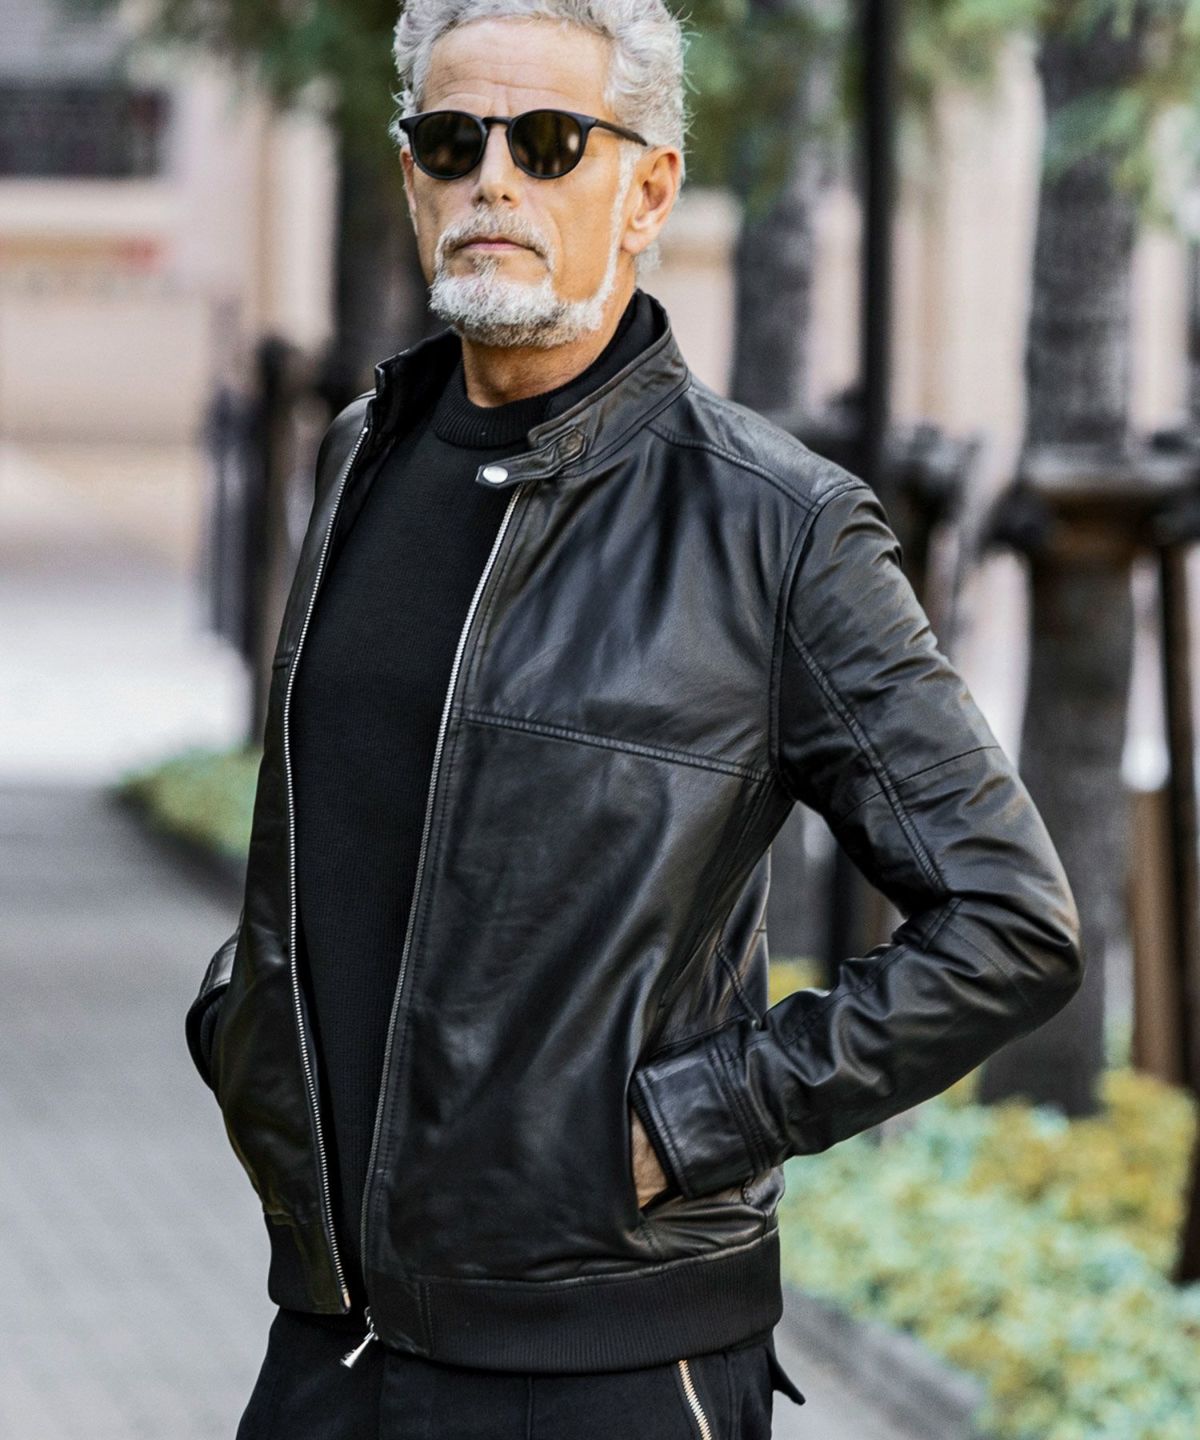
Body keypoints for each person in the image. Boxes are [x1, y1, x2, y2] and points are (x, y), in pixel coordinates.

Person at [184, 2, 1085, 1436]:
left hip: (608, 1362)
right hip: (330, 1340)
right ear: (411, 173)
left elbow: (1009, 922)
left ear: (649, 189)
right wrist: (239, 1022)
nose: (494, 180)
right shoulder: (364, 454)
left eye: (549, 143)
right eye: (452, 140)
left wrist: (694, 1122)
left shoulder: (776, 529)